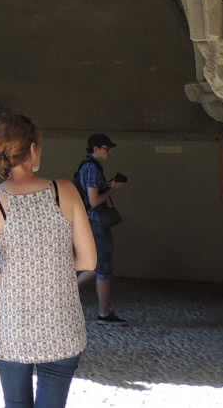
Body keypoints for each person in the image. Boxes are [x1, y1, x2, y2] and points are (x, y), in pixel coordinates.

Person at [0, 115, 95, 408]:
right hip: (61, 324)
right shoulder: (64, 191)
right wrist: (51, 261)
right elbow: (89, 259)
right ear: (34, 149)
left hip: (13, 326)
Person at [74, 133, 128, 325]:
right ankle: (102, 312)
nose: (109, 152)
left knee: (100, 265)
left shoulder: (92, 167)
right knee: (101, 266)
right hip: (95, 221)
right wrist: (113, 188)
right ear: (95, 149)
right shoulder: (91, 168)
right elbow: (94, 201)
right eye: (107, 148)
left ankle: (103, 311)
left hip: (92, 221)